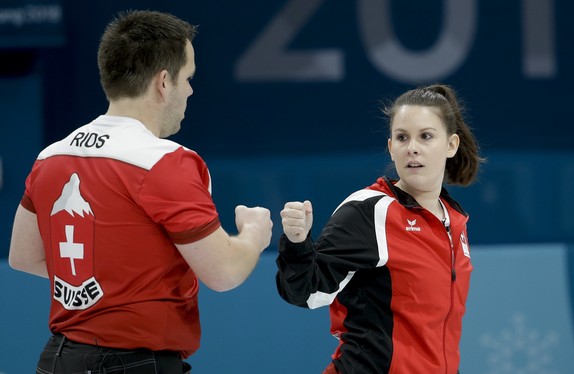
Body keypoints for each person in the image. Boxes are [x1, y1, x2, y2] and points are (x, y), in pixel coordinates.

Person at [8, 10, 272, 374]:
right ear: (163, 82)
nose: (191, 90)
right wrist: (253, 235)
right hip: (135, 363)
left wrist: (110, 282)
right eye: (188, 78)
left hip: (58, 359)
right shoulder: (166, 162)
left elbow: (23, 257)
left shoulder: (50, 157)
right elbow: (223, 272)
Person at [276, 84, 483, 374]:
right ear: (391, 147)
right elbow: (307, 294)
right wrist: (297, 244)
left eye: (425, 136)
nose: (412, 147)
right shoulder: (370, 210)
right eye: (402, 137)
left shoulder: (454, 220)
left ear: (451, 145)